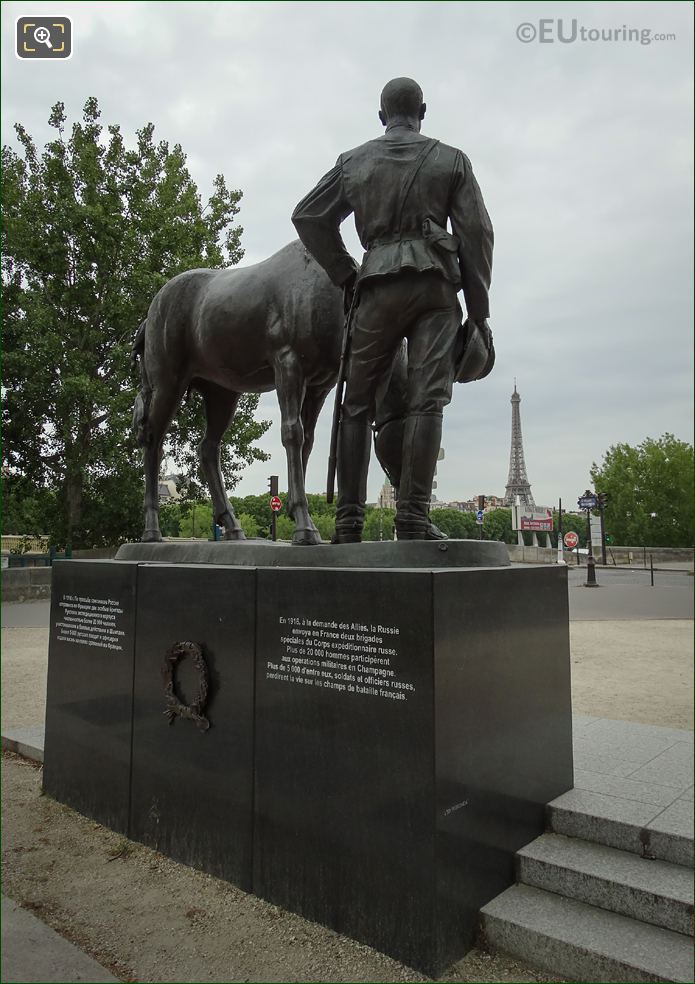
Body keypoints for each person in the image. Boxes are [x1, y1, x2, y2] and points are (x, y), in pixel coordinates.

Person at [292, 77, 493, 542]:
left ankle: (348, 523)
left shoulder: (354, 162)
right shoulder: (451, 159)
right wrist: (478, 311)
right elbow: (478, 235)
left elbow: (308, 216)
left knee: (356, 405)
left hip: (376, 288)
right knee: (427, 403)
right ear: (423, 109)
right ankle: (414, 518)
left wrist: (346, 273)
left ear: (381, 116)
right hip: (435, 291)